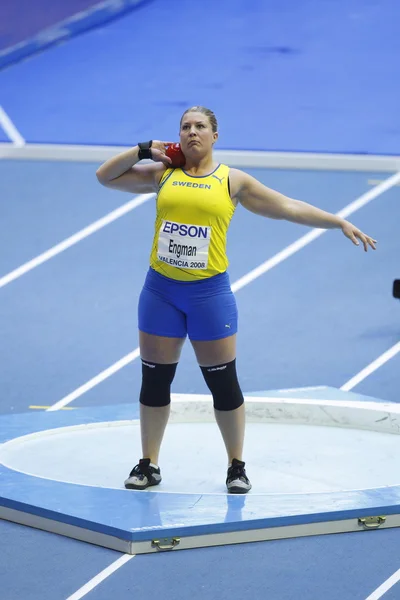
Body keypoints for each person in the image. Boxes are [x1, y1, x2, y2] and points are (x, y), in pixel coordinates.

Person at [96, 106, 376, 494]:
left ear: (215, 135)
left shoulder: (232, 181)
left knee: (223, 384)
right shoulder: (164, 174)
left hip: (208, 296)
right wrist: (144, 149)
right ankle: (148, 463)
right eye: (185, 127)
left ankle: (236, 466)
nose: (192, 132)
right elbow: (105, 176)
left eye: (200, 127)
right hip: (160, 292)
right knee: (155, 381)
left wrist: (338, 221)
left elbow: (287, 207)